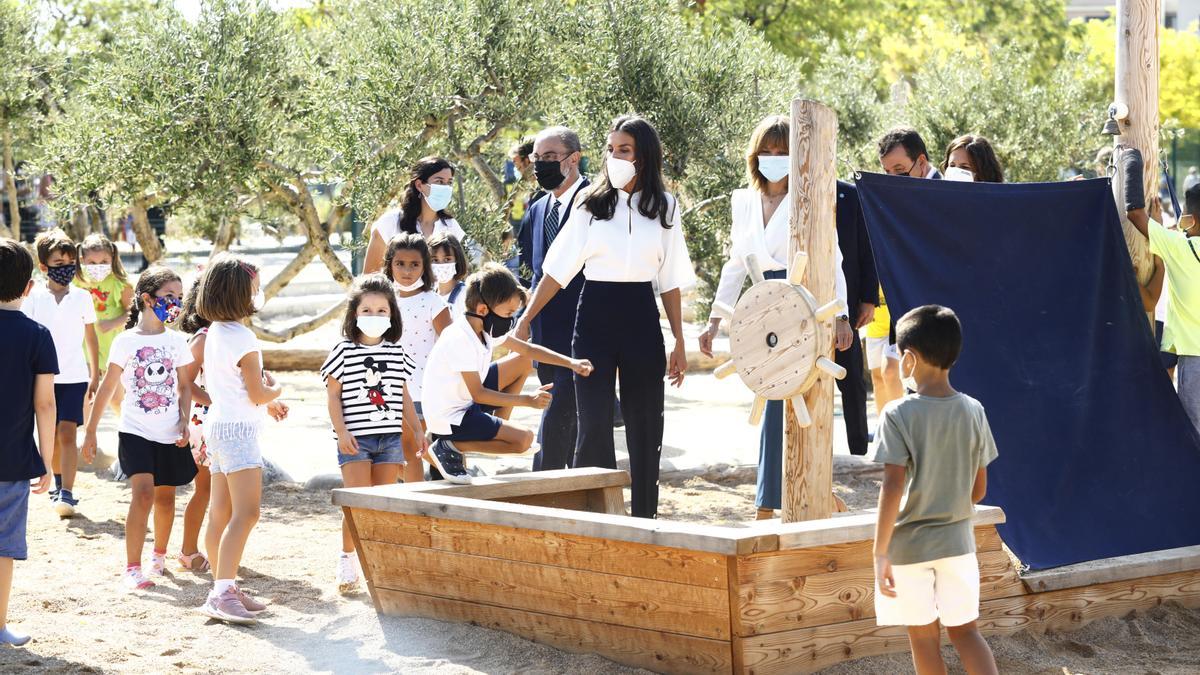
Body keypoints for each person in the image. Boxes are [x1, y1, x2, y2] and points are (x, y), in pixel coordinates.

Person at [516, 114, 694, 519]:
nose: (614, 156)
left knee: (645, 422)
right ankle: (597, 517)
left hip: (641, 318)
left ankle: (645, 518)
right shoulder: (590, 202)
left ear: (644, 157)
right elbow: (557, 269)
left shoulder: (665, 207)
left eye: (624, 150)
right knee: (593, 424)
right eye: (610, 149)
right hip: (594, 314)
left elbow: (669, 280)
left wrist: (679, 341)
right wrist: (526, 318)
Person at [698, 115, 857, 519]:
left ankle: (781, 500)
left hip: (802, 303)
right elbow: (735, 263)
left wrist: (840, 316)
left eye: (781, 152)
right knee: (770, 394)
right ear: (755, 156)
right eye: (766, 151)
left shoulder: (810, 198)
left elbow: (832, 256)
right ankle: (790, 496)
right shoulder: (742, 200)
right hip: (759, 304)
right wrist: (715, 319)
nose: (772, 158)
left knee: (797, 398)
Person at [872, 305, 999, 675]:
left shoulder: (897, 414)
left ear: (908, 359)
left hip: (909, 548)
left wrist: (881, 553)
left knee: (924, 640)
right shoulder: (974, 410)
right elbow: (978, 491)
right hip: (959, 545)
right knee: (967, 633)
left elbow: (892, 486)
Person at [422, 264, 593, 483]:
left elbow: (528, 349)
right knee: (524, 441)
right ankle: (448, 445)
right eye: (508, 313)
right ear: (483, 310)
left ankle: (497, 424)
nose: (510, 320)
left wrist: (571, 363)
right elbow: (478, 394)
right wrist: (526, 401)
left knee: (523, 361)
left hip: (465, 402)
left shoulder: (482, 327)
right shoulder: (460, 339)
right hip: (451, 417)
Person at [82, 267, 197, 591]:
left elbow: (185, 386)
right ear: (147, 299)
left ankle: (159, 556)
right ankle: (133, 567)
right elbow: (107, 387)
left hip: (170, 431)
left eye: (179, 297)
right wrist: (90, 431)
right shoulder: (126, 341)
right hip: (134, 430)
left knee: (165, 498)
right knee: (143, 494)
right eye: (168, 297)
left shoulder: (177, 341)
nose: (175, 303)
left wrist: (185, 421)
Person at [194, 254, 288, 624]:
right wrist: (277, 389)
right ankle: (222, 591)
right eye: (255, 288)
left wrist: (266, 399)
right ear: (240, 294)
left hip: (218, 427)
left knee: (221, 513)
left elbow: (234, 388)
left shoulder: (214, 333)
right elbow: (256, 393)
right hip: (238, 433)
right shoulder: (244, 336)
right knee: (247, 513)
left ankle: (224, 585)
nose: (258, 294)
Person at [321, 274, 423, 592]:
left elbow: (403, 395)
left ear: (392, 314)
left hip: (390, 440)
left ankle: (379, 567)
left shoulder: (396, 352)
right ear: (354, 314)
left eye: (382, 310)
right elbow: (333, 395)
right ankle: (347, 560)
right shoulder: (342, 351)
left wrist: (417, 426)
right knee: (357, 503)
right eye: (367, 310)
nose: (374, 316)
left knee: (381, 504)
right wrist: (341, 432)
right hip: (356, 440)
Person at [516, 126, 590, 471]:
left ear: (573, 159)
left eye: (549, 157)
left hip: (585, 326)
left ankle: (543, 481)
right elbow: (531, 270)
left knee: (564, 407)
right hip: (544, 333)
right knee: (559, 408)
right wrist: (523, 316)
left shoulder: (597, 200)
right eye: (537, 158)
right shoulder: (536, 207)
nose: (541, 165)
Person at [0, 239, 57, 646]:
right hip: (13, 459)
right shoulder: (38, 335)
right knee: (3, 546)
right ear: (29, 286)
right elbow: (45, 404)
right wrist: (48, 461)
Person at [22, 229, 99, 517]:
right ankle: (56, 484)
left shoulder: (82, 297)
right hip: (42, 377)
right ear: (43, 267)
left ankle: (67, 491)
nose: (65, 269)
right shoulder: (33, 298)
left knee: (68, 433)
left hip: (75, 375)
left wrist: (94, 373)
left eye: (70, 263)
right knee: (51, 435)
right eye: (58, 263)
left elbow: (91, 337)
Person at [1125, 152, 1200, 436]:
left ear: (1189, 219)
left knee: (1193, 433)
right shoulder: (1179, 243)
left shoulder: (1181, 248)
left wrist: (1132, 159)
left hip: (1194, 358)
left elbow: (1134, 213)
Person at [381, 234, 452, 482]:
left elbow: (450, 345)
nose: (407, 271)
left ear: (425, 266)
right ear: (389, 264)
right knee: (397, 452)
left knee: (413, 449)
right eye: (400, 263)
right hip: (387, 389)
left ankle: (419, 502)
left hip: (421, 390)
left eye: (414, 264)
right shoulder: (383, 301)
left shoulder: (434, 302)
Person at [363, 157, 466, 274]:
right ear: (419, 185)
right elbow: (369, 276)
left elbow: (457, 274)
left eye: (449, 182)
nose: (446, 188)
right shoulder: (390, 222)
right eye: (439, 181)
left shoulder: (451, 226)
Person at [176, 275, 214, 573]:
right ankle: (188, 550)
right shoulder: (203, 338)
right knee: (205, 489)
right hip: (206, 424)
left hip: (226, 421)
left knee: (216, 491)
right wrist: (217, 401)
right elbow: (185, 381)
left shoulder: (230, 333)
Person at [428, 232, 470, 320]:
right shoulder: (429, 294)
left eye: (447, 259)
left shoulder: (465, 296)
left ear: (457, 260)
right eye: (435, 260)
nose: (441, 264)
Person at [878, 127, 943, 180]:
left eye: (899, 169)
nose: (891, 181)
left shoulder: (944, 194)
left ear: (921, 162)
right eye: (887, 172)